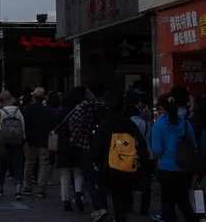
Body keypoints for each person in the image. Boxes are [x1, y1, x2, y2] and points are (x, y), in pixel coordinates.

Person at [91, 94, 148, 222]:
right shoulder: (128, 123)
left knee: (114, 191)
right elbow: (140, 141)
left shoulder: (105, 123)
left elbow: (98, 144)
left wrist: (96, 160)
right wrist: (140, 158)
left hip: (110, 163)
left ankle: (116, 214)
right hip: (128, 163)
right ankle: (123, 213)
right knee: (125, 190)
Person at [151, 94, 200, 222]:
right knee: (183, 199)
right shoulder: (186, 124)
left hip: (166, 168)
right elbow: (194, 145)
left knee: (167, 200)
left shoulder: (158, 126)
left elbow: (157, 150)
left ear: (161, 108)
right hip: (184, 168)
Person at [70, 78, 109, 222]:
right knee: (102, 178)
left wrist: (73, 140)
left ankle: (99, 208)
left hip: (87, 145)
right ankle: (103, 205)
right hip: (104, 146)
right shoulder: (104, 105)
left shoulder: (84, 106)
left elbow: (76, 124)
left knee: (90, 179)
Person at [22, 87, 58, 198]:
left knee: (29, 163)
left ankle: (27, 186)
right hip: (44, 140)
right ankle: (41, 188)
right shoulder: (48, 111)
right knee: (44, 164)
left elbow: (24, 125)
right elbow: (53, 126)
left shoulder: (28, 109)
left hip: (31, 140)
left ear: (33, 97)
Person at [56, 86, 86, 212]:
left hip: (63, 144)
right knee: (79, 172)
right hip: (78, 143)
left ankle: (66, 201)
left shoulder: (60, 113)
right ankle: (78, 193)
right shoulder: (80, 112)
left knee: (65, 175)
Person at [0, 90, 26, 200]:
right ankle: (18, 189)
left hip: (3, 142)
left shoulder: (1, 112)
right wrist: (23, 139)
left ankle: (0, 186)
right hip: (17, 142)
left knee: (2, 165)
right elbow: (23, 126)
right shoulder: (19, 111)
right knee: (18, 165)